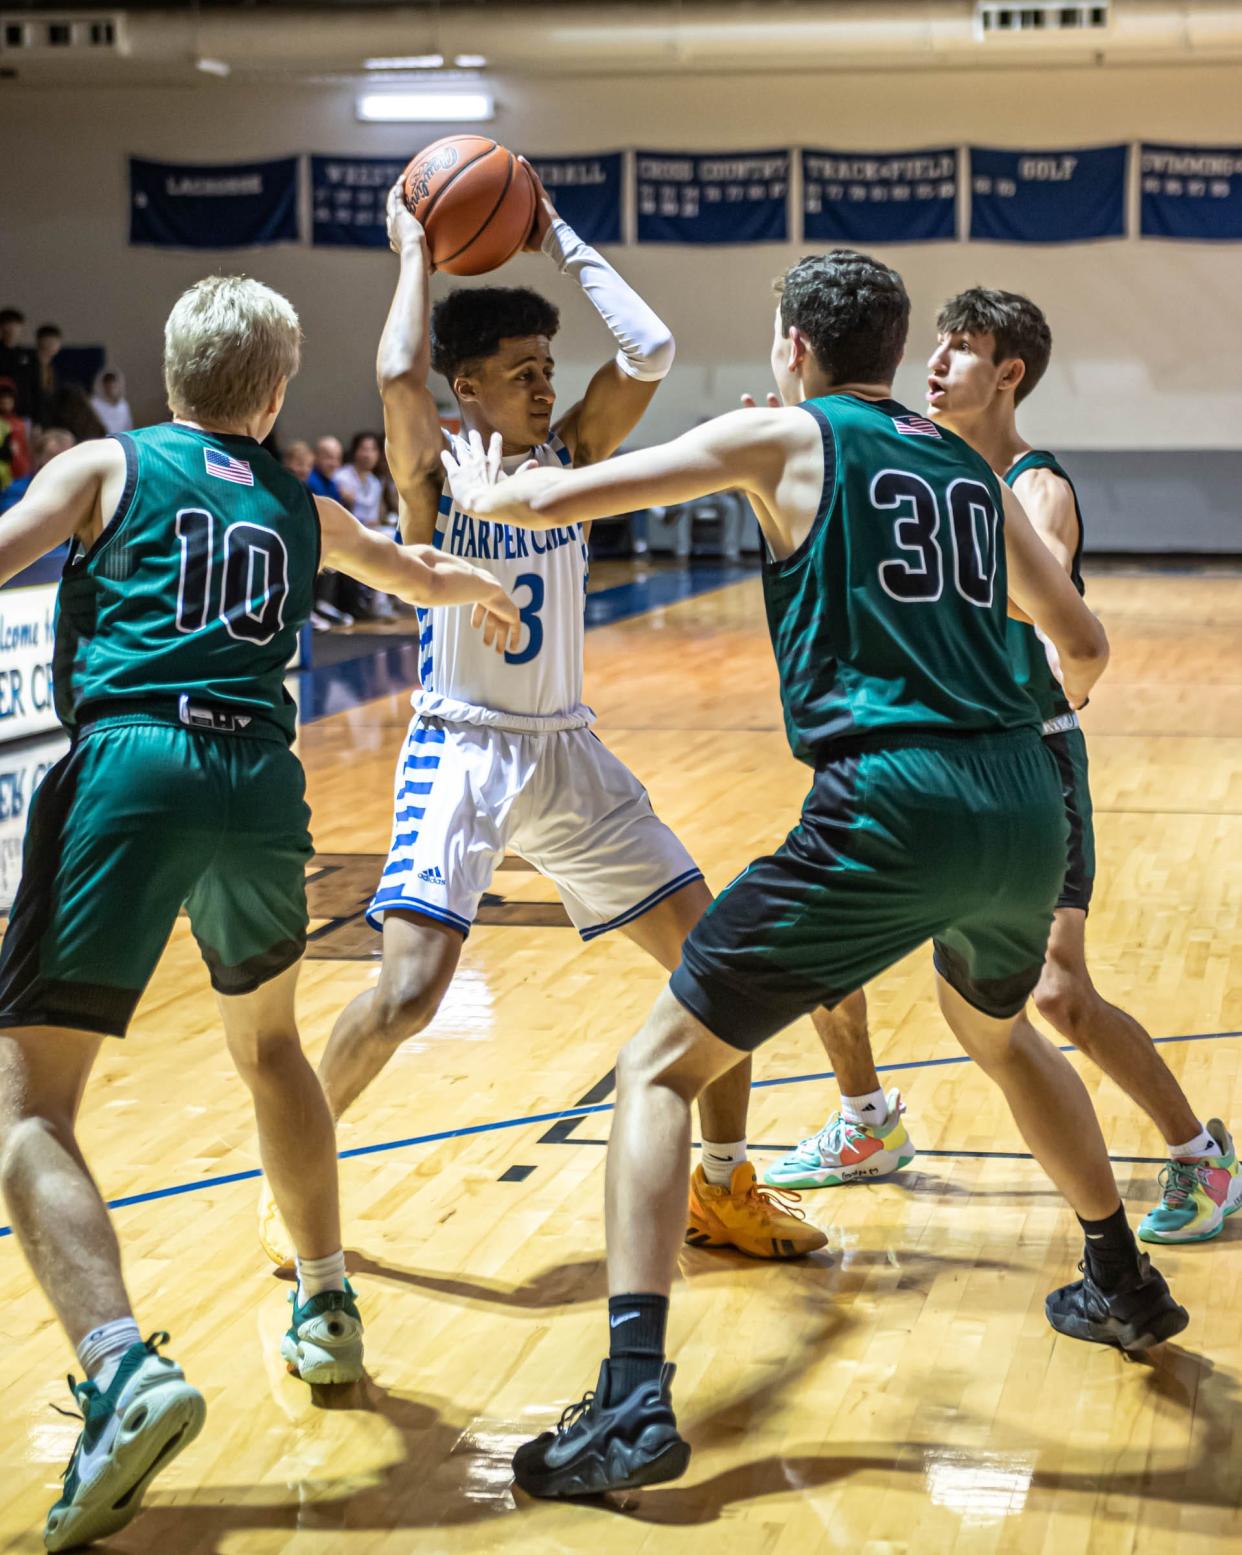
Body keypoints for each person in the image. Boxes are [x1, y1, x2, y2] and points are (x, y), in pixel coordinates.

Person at [439, 249, 1189, 1497]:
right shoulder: (969, 464)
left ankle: (631, 1404)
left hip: (891, 802)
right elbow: (1087, 644)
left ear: (793, 342)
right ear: (894, 352)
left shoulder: (787, 439)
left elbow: (576, 501)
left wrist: (491, 489)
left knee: (654, 1072)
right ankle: (1119, 1276)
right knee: (997, 1032)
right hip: (1021, 800)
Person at [0, 274, 520, 1551]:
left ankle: (120, 1366)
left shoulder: (107, 465)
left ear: (171, 373)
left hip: (134, 764)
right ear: (278, 390)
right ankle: (328, 1301)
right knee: (272, 1049)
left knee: (24, 1105)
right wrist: (484, 594)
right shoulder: (296, 498)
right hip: (259, 783)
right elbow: (411, 569)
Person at [257, 169, 824, 1271]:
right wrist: (414, 251)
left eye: (546, 367)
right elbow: (392, 368)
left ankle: (721, 1187)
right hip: (461, 745)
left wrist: (557, 230)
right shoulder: (431, 479)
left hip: (568, 749)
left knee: (717, 962)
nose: (542, 383)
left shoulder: (570, 461)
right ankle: (294, 1171)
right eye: (519, 372)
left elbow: (649, 350)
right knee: (410, 992)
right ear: (465, 387)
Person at [765, 286, 1241, 1244]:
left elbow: (1047, 606)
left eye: (963, 349)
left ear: (1010, 373)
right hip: (941, 757)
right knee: (820, 953)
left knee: (1059, 993)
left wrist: (955, 565)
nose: (937, 363)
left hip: (1035, 759)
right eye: (934, 346)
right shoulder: (933, 466)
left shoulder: (1033, 484)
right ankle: (867, 1125)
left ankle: (1202, 1153)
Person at [335, 431, 398, 620]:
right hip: (347, 531)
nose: (368, 454)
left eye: (372, 450)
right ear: (355, 451)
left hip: (369, 531)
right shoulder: (342, 477)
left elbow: (375, 516)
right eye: (364, 449)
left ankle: (384, 598)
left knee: (396, 537)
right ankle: (378, 601)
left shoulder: (374, 482)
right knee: (386, 541)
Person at [0, 426, 75, 514]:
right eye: (51, 457)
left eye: (65, 459)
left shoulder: (74, 498)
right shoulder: (18, 491)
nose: (58, 466)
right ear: (38, 458)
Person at [0, 308, 40, 422]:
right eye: (7, 324)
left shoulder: (28, 355)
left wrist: (37, 420)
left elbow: (35, 388)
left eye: (15, 325)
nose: (12, 329)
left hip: (23, 413)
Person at [0, 377, 32, 488]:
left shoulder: (21, 423)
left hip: (21, 478)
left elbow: (26, 449)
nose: (5, 400)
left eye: (9, 396)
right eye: (2, 397)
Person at [89, 369, 133, 436]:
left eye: (114, 386)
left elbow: (128, 426)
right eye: (108, 386)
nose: (111, 389)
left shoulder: (123, 405)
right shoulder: (94, 404)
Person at [35, 323, 63, 419]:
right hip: (38, 414)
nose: (56, 345)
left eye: (58, 342)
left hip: (51, 413)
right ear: (41, 341)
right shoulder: (31, 366)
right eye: (52, 342)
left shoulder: (52, 368)